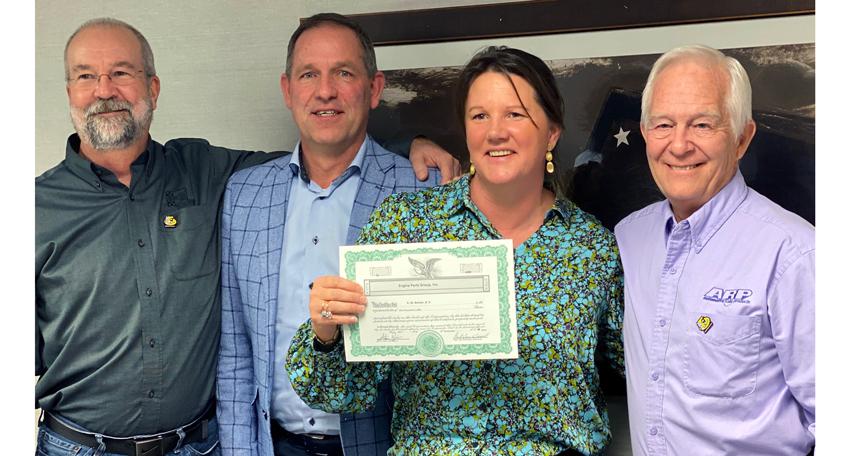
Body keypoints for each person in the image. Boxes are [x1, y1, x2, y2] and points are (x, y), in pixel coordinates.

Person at [35, 17, 458, 456]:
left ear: (153, 89)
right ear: (69, 92)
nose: (104, 90)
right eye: (86, 76)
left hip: (203, 445)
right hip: (77, 446)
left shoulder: (208, 173)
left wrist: (409, 146)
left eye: (121, 72)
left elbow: (327, 144)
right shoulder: (33, 210)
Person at [286, 46, 625, 455]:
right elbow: (339, 391)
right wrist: (326, 331)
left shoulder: (590, 247)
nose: (495, 132)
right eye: (479, 116)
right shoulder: (406, 226)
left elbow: (644, 367)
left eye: (515, 114)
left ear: (551, 132)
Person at [215, 13, 443, 456]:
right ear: (287, 90)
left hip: (382, 446)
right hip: (273, 445)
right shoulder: (245, 195)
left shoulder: (424, 189)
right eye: (309, 75)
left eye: (344, 73)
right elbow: (236, 352)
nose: (325, 91)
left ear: (374, 88)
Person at [614, 45, 815, 455]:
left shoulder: (795, 254)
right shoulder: (629, 238)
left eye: (703, 125)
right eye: (663, 124)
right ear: (645, 133)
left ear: (742, 138)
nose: (679, 145)